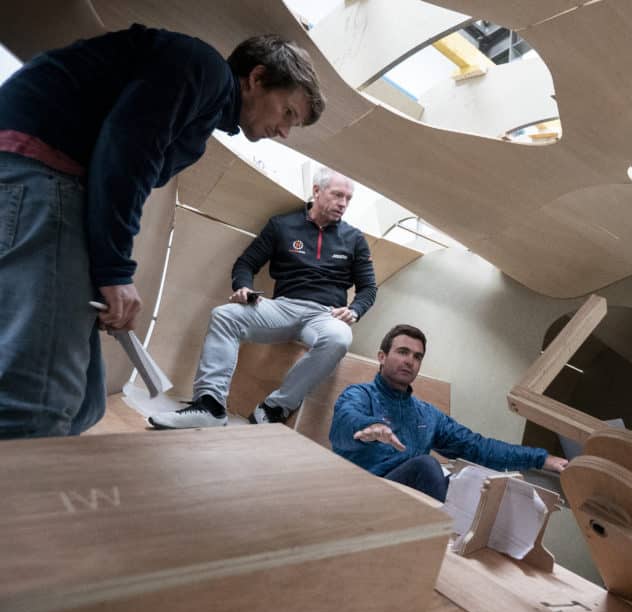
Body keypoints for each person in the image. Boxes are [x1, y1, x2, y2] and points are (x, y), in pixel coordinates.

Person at [0, 25, 325, 439]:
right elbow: (126, 153)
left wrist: (105, 273)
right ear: (257, 78)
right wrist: (115, 272)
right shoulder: (202, 69)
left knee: (84, 400)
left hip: (48, 184)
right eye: (288, 113)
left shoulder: (203, 109)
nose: (283, 131)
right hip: (41, 171)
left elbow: (125, 166)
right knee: (39, 403)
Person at [149, 168, 375, 428]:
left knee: (339, 337)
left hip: (325, 314)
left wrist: (355, 310)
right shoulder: (282, 225)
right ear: (316, 191)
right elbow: (246, 263)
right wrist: (243, 287)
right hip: (281, 308)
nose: (343, 203)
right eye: (337, 195)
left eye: (348, 198)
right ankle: (209, 406)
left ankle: (275, 406)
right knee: (224, 315)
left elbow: (368, 288)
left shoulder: (355, 239)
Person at [330, 324, 569, 501]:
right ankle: (451, 541)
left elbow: (479, 447)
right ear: (382, 357)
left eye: (417, 356)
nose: (410, 361)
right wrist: (371, 427)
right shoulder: (360, 394)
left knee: (476, 484)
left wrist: (542, 458)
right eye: (402, 352)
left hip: (408, 504)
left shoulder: (427, 415)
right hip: (363, 495)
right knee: (425, 465)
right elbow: (343, 425)